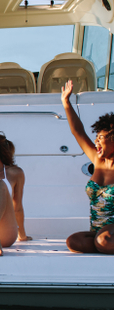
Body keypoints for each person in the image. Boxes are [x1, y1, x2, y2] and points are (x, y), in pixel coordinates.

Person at [60, 79, 114, 253]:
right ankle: (102, 244)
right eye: (96, 137)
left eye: (101, 137)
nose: (96, 141)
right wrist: (66, 103)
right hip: (97, 229)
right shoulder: (97, 160)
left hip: (110, 231)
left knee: (104, 241)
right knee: (73, 241)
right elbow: (78, 131)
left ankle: (103, 244)